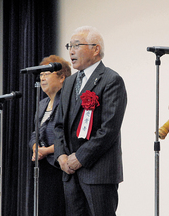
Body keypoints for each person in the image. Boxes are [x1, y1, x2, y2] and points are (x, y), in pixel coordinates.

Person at [54, 26, 127, 216]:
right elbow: (59, 124)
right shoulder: (69, 82)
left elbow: (108, 129)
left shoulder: (111, 80)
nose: (70, 51)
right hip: (70, 173)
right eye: (69, 46)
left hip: (98, 172)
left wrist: (80, 158)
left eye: (76, 45)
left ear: (95, 49)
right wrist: (61, 156)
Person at [28, 55, 71, 216]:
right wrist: (35, 147)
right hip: (41, 166)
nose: (42, 77)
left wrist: (46, 151)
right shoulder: (42, 104)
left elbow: (68, 136)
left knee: (56, 209)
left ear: (62, 78)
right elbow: (35, 132)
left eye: (47, 73)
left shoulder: (68, 102)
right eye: (41, 75)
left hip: (58, 165)